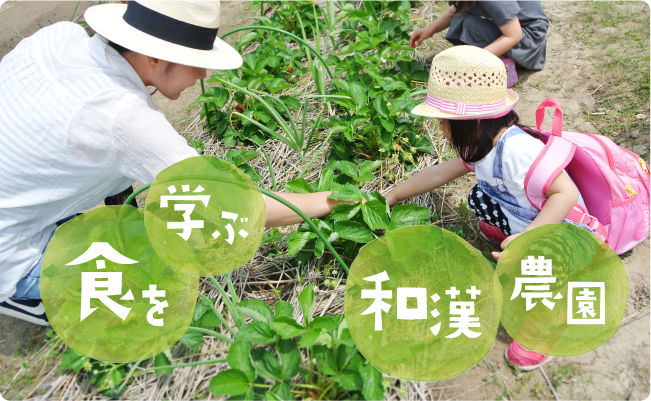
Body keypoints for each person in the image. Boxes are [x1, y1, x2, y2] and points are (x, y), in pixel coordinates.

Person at [0, 0, 347, 326]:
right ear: (153, 56)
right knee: (148, 298)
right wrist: (339, 200)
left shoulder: (59, 36)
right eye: (195, 60)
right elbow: (234, 208)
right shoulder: (121, 115)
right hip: (8, 248)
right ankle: (21, 287)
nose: (203, 75)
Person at [384, 46, 586, 371]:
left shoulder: (518, 151)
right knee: (480, 196)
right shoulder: (479, 145)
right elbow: (438, 173)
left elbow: (566, 194)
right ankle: (508, 231)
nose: (440, 129)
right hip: (524, 213)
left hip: (561, 228)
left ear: (470, 121)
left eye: (443, 122)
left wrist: (528, 239)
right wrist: (393, 195)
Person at [409, 0, 549, 88]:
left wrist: (475, 59)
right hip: (515, 31)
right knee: (461, 20)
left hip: (529, 44)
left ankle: (505, 66)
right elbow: (458, 8)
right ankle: (499, 57)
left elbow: (514, 35)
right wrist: (430, 30)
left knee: (470, 25)